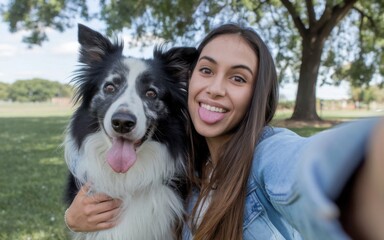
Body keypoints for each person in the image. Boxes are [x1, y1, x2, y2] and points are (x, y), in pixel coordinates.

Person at [64, 23, 384, 239]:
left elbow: (309, 169)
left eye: (238, 78)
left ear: (258, 94)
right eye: (206, 70)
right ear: (189, 81)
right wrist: (73, 219)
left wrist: (361, 163)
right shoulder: (187, 165)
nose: (215, 89)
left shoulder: (267, 155)